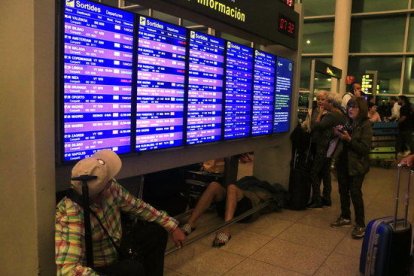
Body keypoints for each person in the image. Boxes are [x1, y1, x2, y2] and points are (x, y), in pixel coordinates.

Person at [55, 149, 186, 276]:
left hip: (118, 245)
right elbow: (67, 270)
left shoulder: (111, 188)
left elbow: (139, 207)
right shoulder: (70, 215)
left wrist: (172, 226)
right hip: (100, 265)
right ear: (103, 189)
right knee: (133, 270)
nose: (113, 181)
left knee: (157, 232)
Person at [180, 176, 285, 247]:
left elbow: (270, 198)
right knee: (214, 185)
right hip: (230, 204)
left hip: (248, 208)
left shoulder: (262, 188)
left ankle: (226, 229)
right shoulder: (247, 181)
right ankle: (191, 223)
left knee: (232, 188)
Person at [330, 97, 373, 239]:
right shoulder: (348, 122)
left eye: (354, 107)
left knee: (355, 193)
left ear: (361, 110)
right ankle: (345, 217)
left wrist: (349, 139)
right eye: (349, 106)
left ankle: (361, 224)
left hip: (357, 165)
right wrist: (337, 132)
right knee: (343, 191)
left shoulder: (365, 125)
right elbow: (340, 139)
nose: (350, 109)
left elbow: (365, 149)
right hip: (343, 162)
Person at [307, 91, 346, 208]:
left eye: (326, 101)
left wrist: (319, 115)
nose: (323, 102)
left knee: (314, 172)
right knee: (325, 173)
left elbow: (316, 126)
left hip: (324, 147)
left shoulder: (331, 115)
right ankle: (327, 198)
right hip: (331, 148)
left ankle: (317, 199)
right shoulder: (341, 114)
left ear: (331, 103)